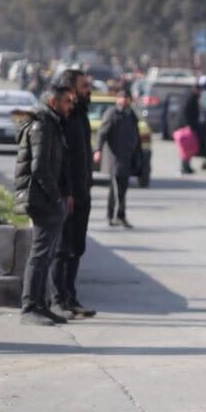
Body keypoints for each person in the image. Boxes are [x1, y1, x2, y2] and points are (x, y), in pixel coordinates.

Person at [13, 86, 76, 326]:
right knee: (39, 256)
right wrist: (56, 197)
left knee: (46, 254)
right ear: (53, 102)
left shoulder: (51, 123)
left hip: (46, 198)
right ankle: (29, 307)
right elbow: (39, 168)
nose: (70, 106)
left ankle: (41, 305)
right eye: (66, 101)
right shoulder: (43, 125)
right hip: (41, 199)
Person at [49, 69, 97, 319]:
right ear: (71, 89)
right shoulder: (63, 117)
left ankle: (70, 297)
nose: (88, 90)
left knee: (76, 247)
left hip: (82, 191)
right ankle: (57, 299)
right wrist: (66, 190)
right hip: (67, 194)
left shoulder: (80, 115)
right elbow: (62, 158)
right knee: (62, 247)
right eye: (83, 86)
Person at [95, 89, 141, 229]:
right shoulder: (112, 114)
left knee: (121, 187)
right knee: (117, 188)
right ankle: (118, 215)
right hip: (115, 157)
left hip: (127, 156)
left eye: (127, 98)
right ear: (117, 99)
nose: (124, 100)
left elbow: (136, 134)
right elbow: (102, 133)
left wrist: (137, 152)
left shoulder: (131, 114)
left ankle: (114, 215)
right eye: (122, 98)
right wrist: (98, 150)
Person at [181, 84, 203, 174]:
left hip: (192, 126)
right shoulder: (191, 99)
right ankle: (184, 167)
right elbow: (186, 112)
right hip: (189, 127)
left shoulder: (194, 98)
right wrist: (188, 125)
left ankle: (187, 166)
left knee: (189, 148)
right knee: (186, 148)